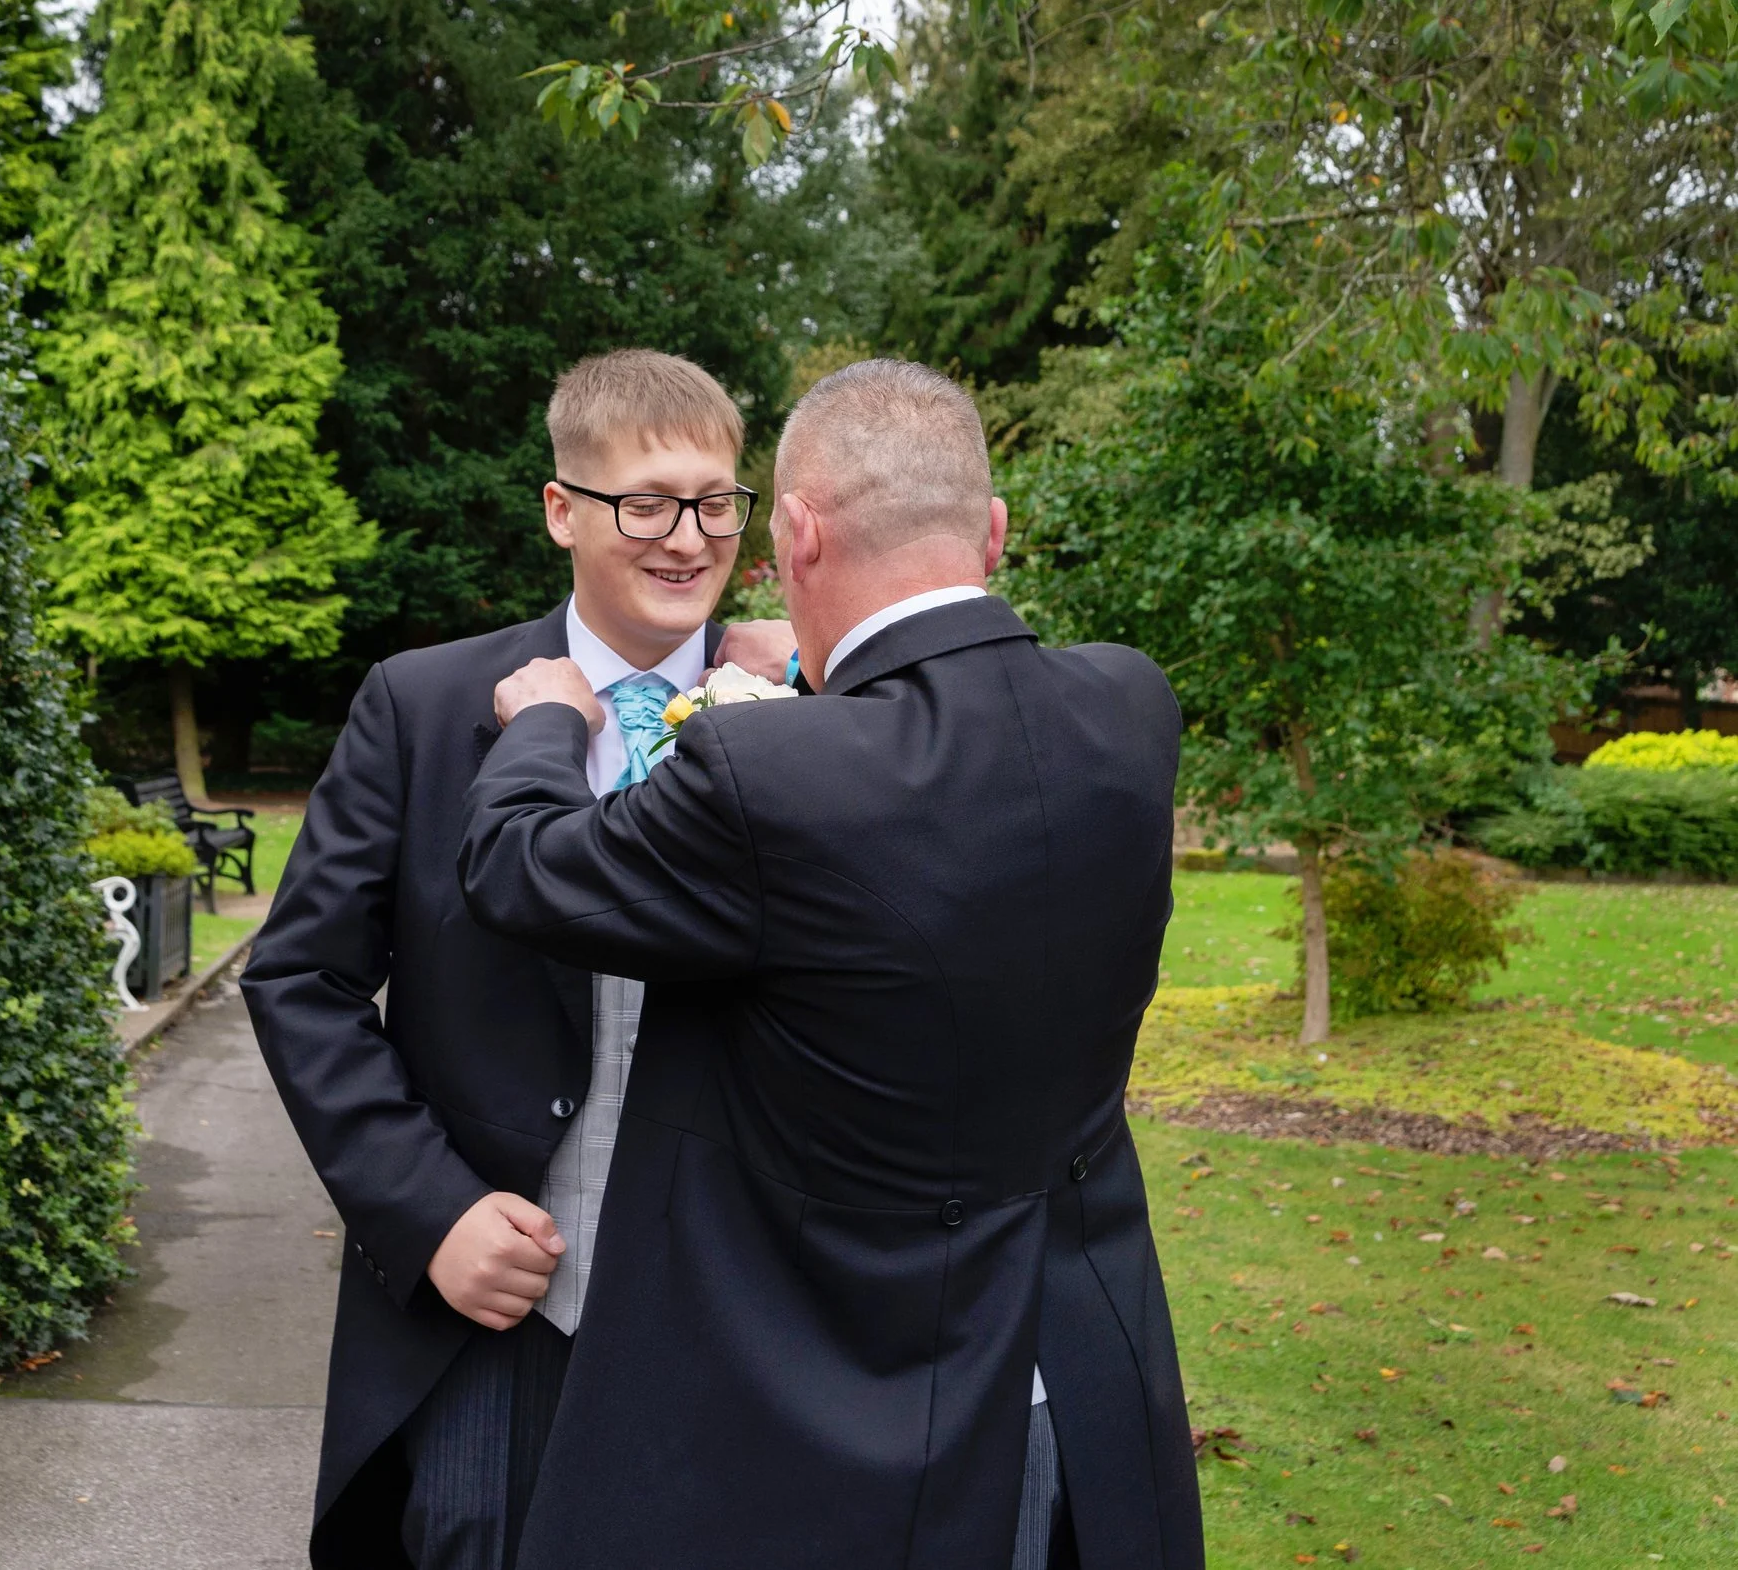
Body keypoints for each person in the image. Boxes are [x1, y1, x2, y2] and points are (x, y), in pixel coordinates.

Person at [457, 359, 1201, 1570]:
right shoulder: (1128, 706)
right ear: (994, 533)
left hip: (852, 1420)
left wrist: (548, 717)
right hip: (1078, 1377)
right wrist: (816, 686)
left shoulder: (771, 773)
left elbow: (517, 864)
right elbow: (939, 815)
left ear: (794, 533)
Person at [242, 350, 799, 1569]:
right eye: (644, 504)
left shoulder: (808, 712)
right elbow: (302, 978)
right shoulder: (423, 705)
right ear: (561, 508)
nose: (687, 539)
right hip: (503, 1310)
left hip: (755, 1312)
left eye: (716, 503)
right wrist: (428, 1208)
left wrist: (815, 681)